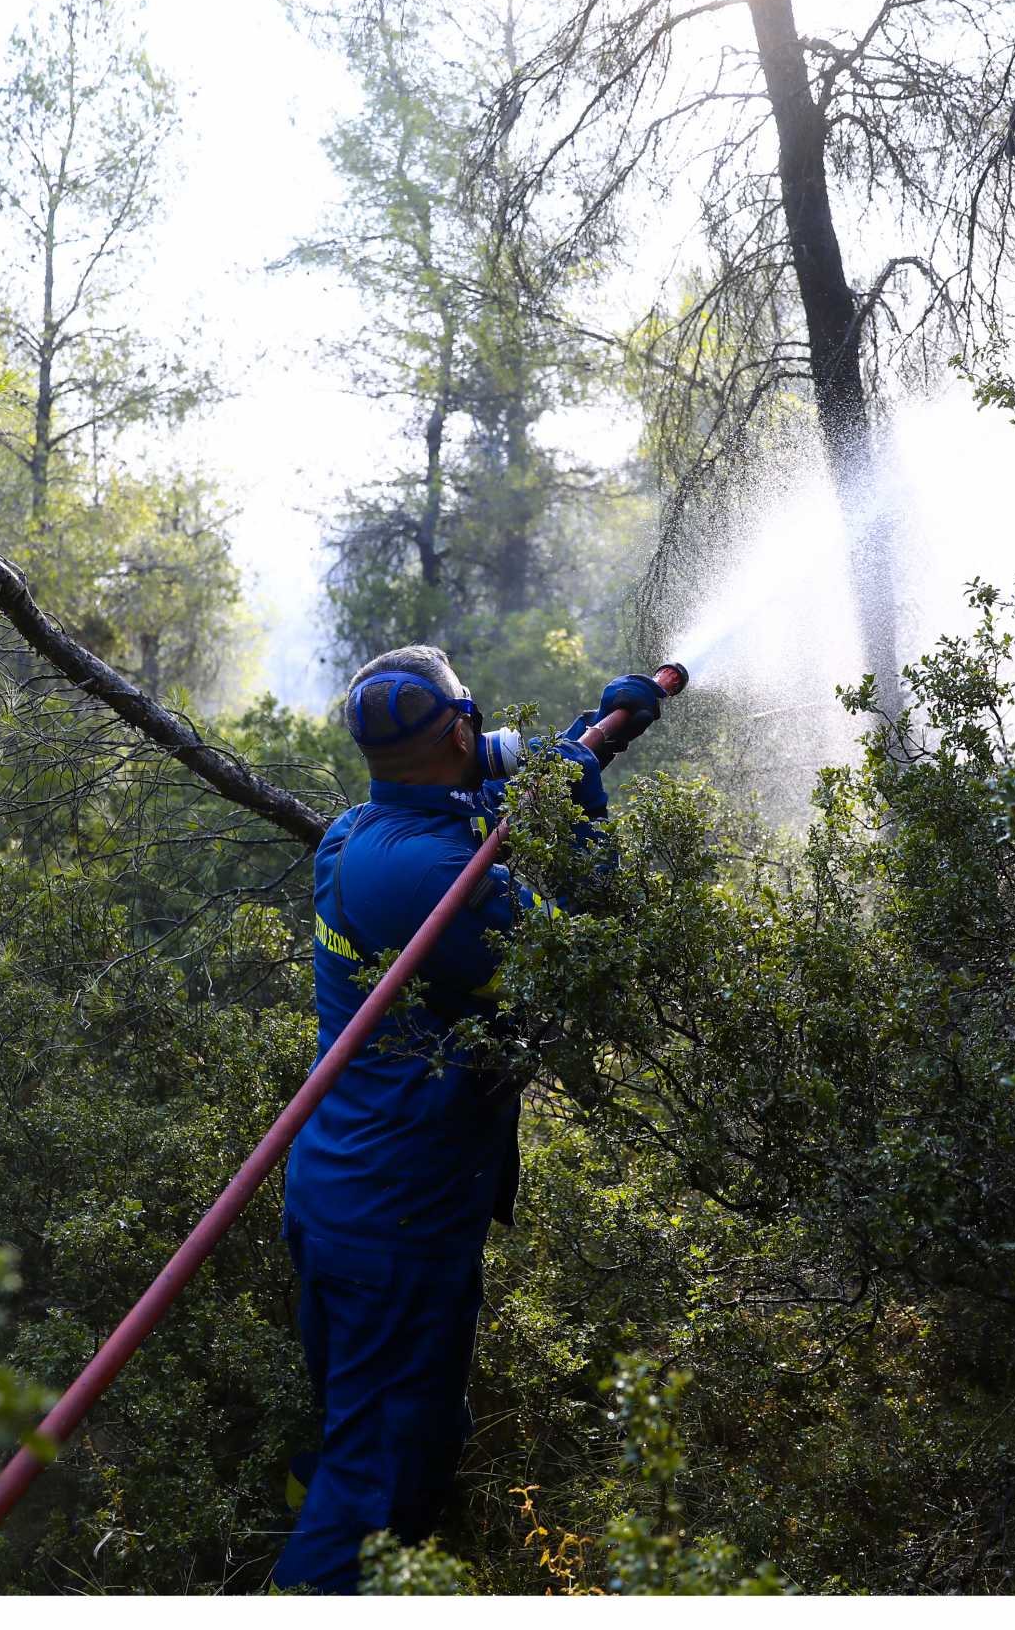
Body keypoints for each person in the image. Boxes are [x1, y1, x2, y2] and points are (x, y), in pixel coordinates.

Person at [271, 644, 667, 1593]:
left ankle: (305, 1514)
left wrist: (571, 746)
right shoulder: (437, 886)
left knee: (361, 1418)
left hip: (339, 1186)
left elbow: (459, 812)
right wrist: (580, 807)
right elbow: (591, 947)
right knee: (384, 1472)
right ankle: (322, 1581)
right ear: (457, 728)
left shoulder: (357, 834)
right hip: (398, 1216)